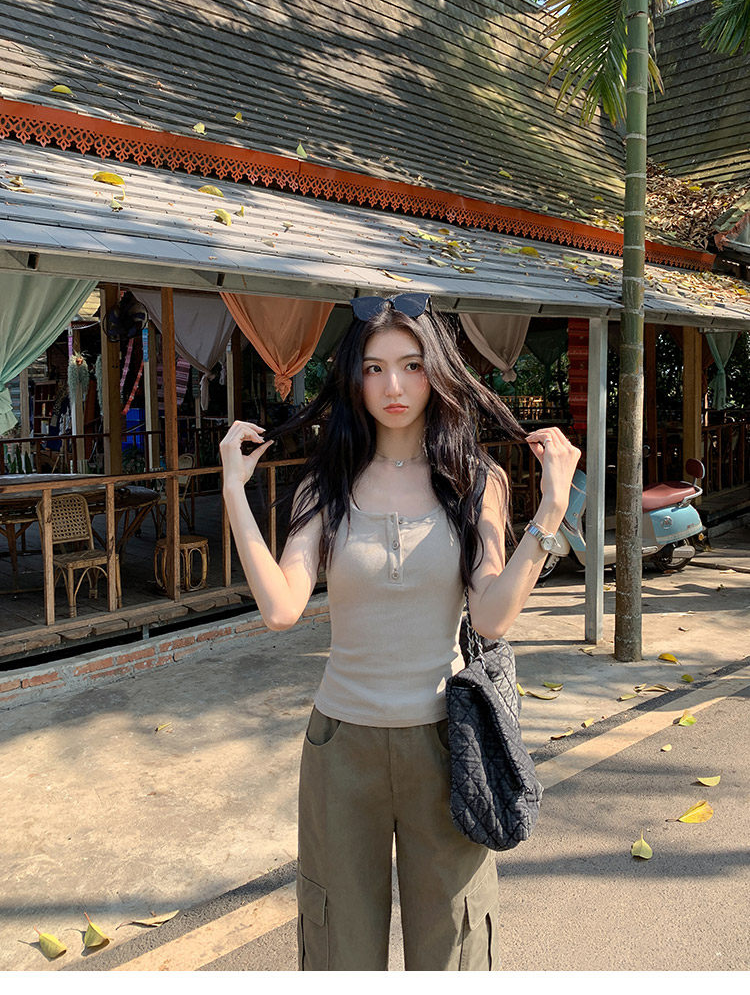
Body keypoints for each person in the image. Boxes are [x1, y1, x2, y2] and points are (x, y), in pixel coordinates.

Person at [219, 294, 580, 971]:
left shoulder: (476, 480)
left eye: (412, 365)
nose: (394, 385)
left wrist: (551, 511)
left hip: (446, 745)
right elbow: (281, 607)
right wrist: (235, 491)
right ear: (354, 377)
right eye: (375, 367)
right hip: (340, 747)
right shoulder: (325, 485)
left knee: (452, 944)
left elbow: (491, 617)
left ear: (436, 371)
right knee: (339, 945)